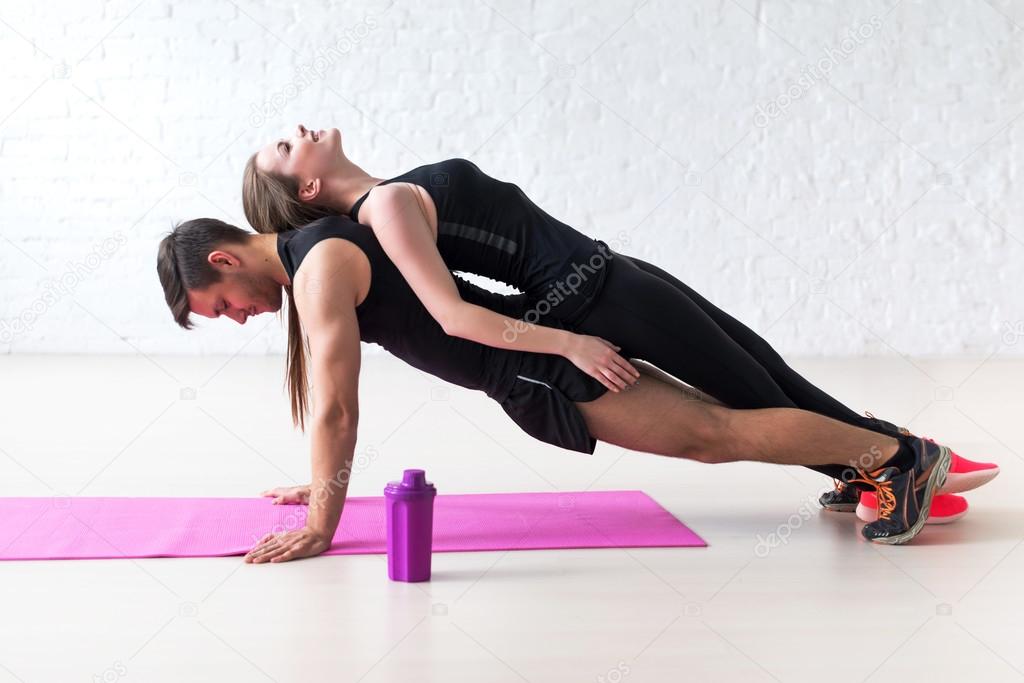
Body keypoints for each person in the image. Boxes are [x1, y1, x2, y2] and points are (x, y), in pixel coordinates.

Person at [239, 125, 997, 516]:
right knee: (750, 391)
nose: (299, 126)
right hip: (595, 297)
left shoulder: (390, 200)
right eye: (284, 144)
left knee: (763, 377)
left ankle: (865, 471)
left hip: (606, 279)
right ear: (306, 183)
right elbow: (452, 314)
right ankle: (901, 462)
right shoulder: (389, 206)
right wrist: (568, 338)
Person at [156, 214, 954, 563]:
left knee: (720, 434)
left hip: (538, 369)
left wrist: (325, 522)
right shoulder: (313, 251)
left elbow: (335, 404)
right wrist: (319, 480)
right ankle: (874, 459)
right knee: (723, 424)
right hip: (531, 370)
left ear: (225, 260)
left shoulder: (319, 269)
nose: (238, 319)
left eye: (221, 307)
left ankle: (896, 455)